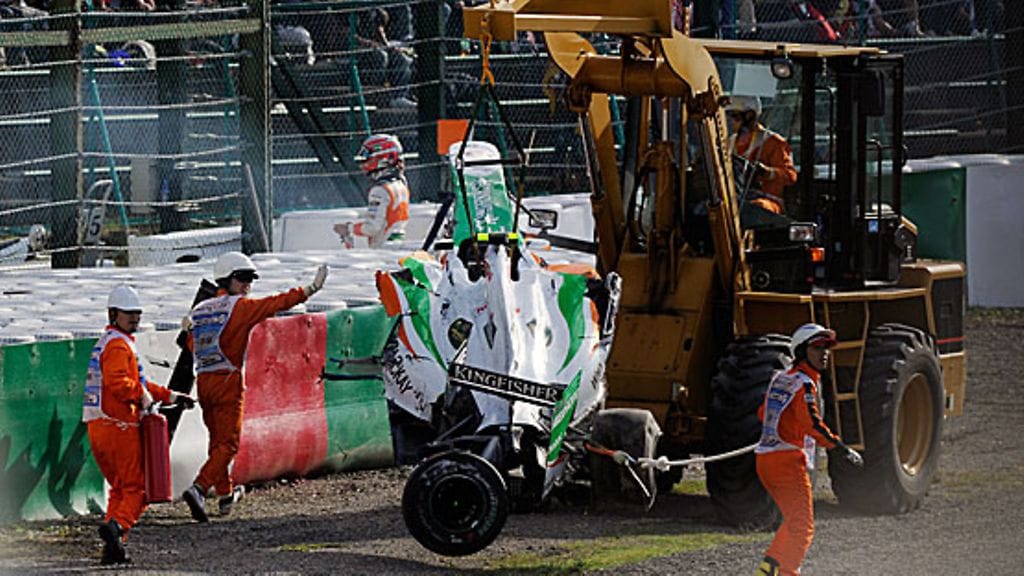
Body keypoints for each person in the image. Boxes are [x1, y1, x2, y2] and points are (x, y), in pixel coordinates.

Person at [181, 252, 328, 522]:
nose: (248, 284)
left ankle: (225, 495)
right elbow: (276, 303)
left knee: (217, 442)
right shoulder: (241, 307)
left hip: (204, 382)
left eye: (251, 279)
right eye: (243, 278)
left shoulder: (200, 311)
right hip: (228, 381)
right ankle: (199, 488)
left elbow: (192, 347)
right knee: (229, 444)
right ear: (228, 279)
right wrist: (309, 290)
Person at [82, 284, 196, 565]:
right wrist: (144, 399)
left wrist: (170, 396)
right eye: (128, 314)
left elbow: (138, 384)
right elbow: (122, 384)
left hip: (101, 427)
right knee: (140, 489)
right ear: (113, 314)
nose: (134, 319)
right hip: (119, 428)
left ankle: (114, 548)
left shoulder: (109, 342)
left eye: (137, 314)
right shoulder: (119, 346)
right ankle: (117, 528)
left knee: (120, 489)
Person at [754, 323, 864, 576]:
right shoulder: (805, 384)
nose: (824, 353)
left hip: (766, 461)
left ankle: (766, 572)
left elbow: (763, 414)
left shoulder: (780, 379)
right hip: (787, 463)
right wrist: (840, 447)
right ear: (802, 351)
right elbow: (812, 423)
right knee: (803, 528)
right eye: (817, 348)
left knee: (792, 523)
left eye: (827, 348)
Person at [333, 134, 410, 249]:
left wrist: (348, 228)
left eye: (367, 157)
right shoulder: (401, 185)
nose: (364, 162)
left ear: (382, 157)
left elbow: (372, 228)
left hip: (382, 252)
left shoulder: (379, 190)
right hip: (396, 247)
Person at [727, 95, 798, 215]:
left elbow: (790, 176)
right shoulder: (729, 142)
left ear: (749, 116)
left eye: (734, 116)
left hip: (768, 200)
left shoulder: (773, 142)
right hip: (735, 198)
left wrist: (767, 172)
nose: (729, 121)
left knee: (756, 207)